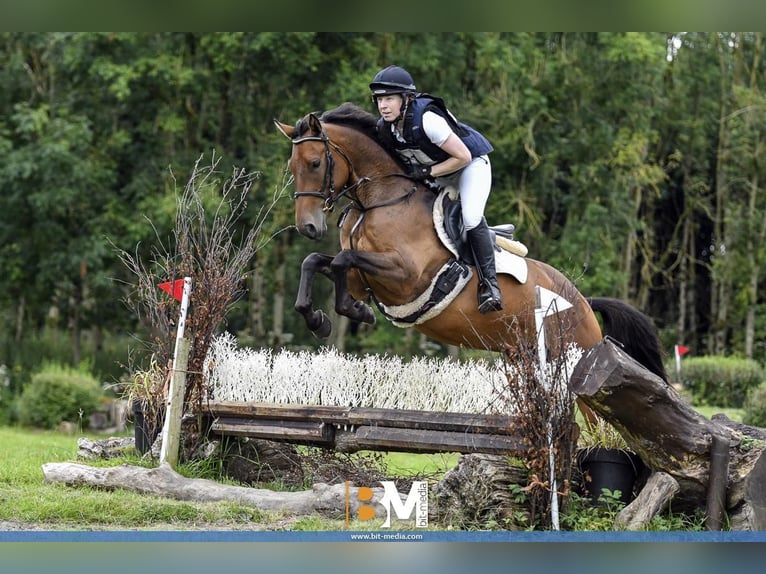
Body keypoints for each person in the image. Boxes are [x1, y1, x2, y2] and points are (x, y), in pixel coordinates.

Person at [369, 65, 503, 314]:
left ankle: (490, 287)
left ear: (406, 99)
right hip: (440, 174)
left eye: (389, 98)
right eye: (379, 100)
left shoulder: (427, 120)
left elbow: (462, 156)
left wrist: (427, 173)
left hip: (470, 166)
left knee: (471, 217)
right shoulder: (386, 129)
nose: (383, 106)